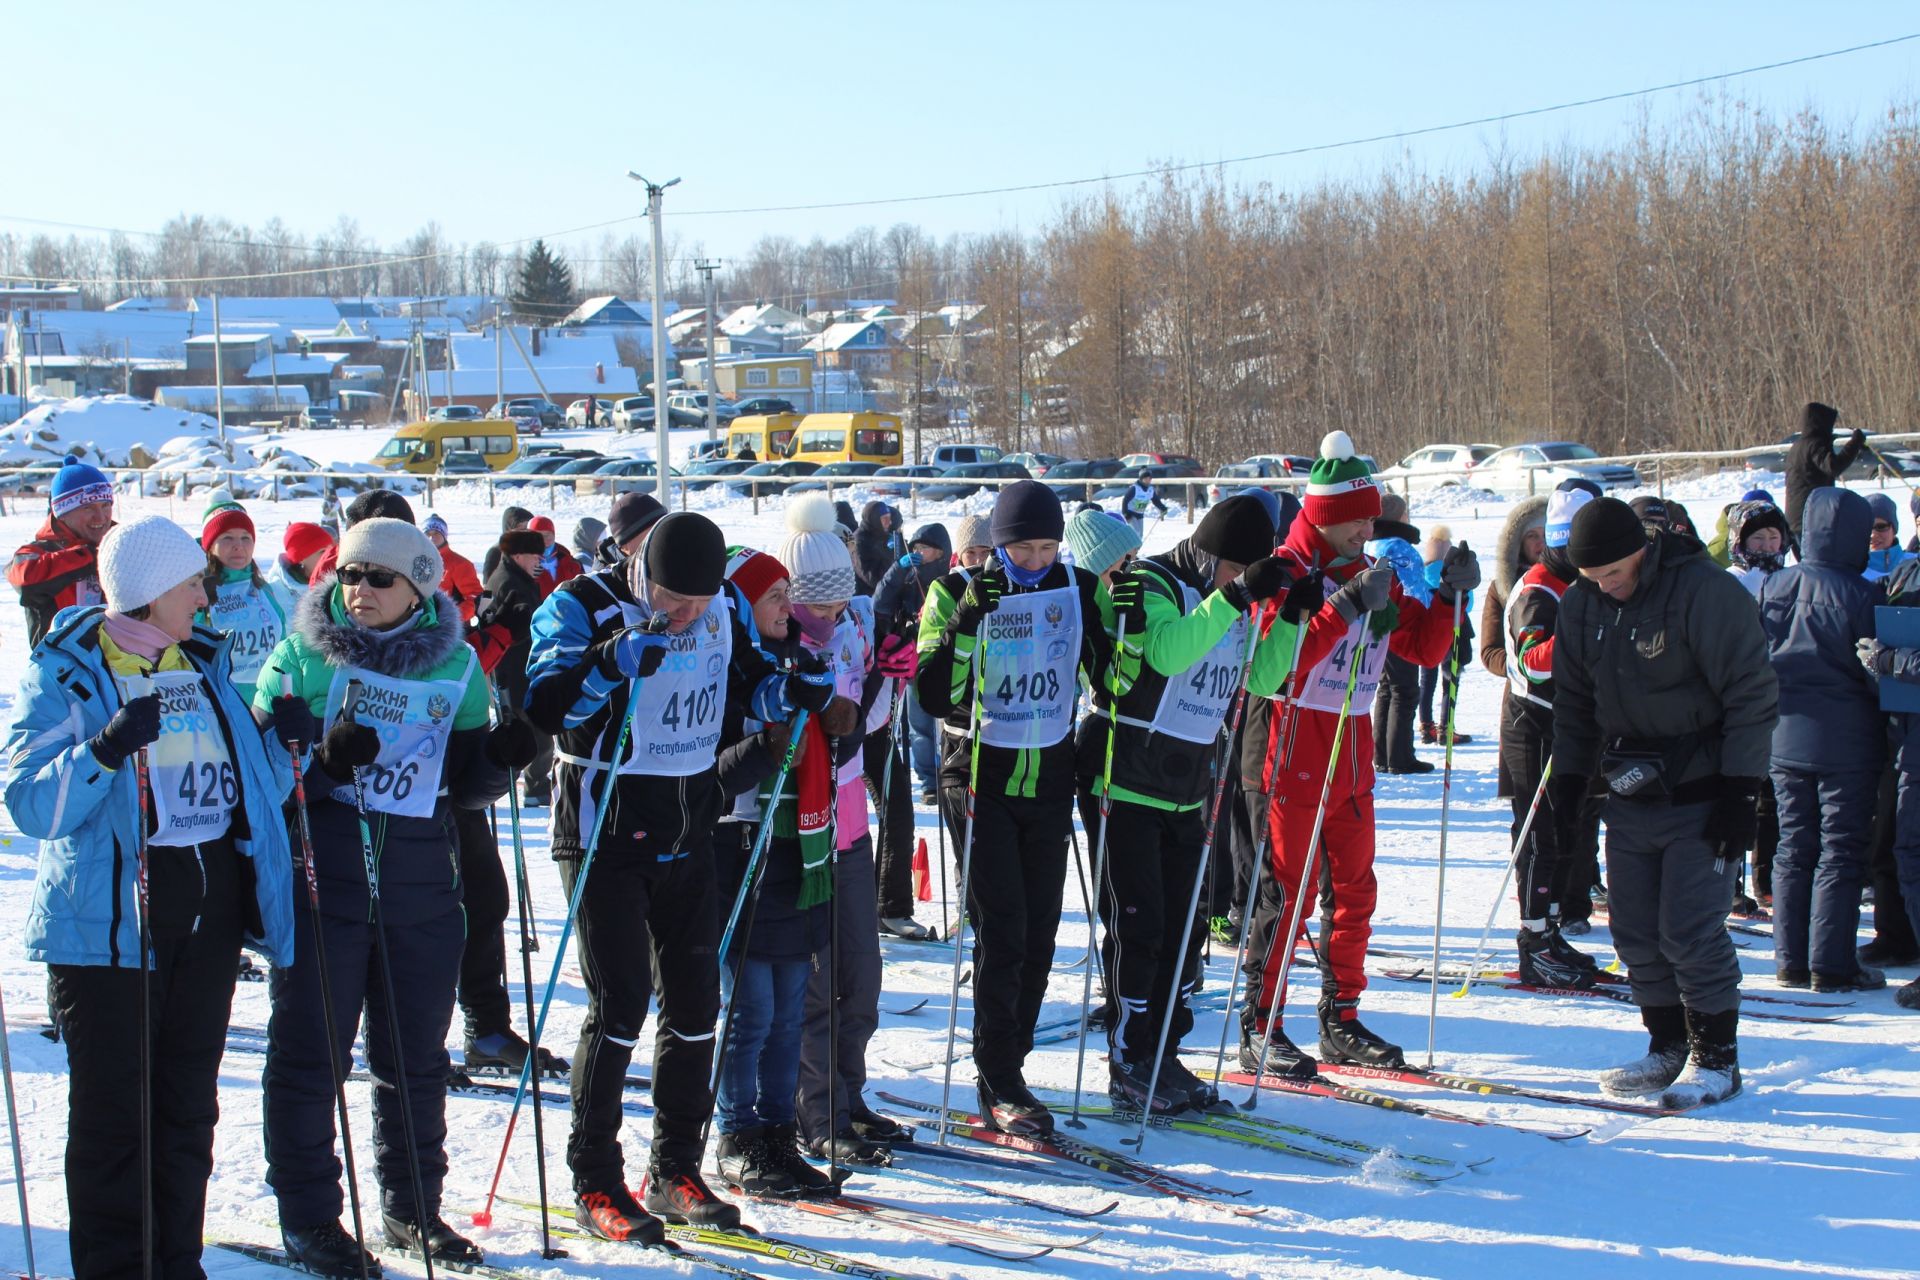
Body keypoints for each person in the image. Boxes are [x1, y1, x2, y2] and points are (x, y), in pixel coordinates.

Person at [523, 511, 832, 1243]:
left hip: (689, 826)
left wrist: (793, 692)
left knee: (695, 1007)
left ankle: (673, 1170)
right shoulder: (581, 603)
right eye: (672, 600)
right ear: (641, 572)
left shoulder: (723, 602)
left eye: (697, 602)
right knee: (621, 1005)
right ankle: (595, 1178)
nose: (687, 615)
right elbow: (545, 708)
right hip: (604, 831)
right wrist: (606, 664)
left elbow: (747, 688)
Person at [8, 515, 297, 1280]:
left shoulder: (200, 665)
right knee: (115, 1124)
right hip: (110, 929)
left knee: (184, 1117)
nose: (205, 596)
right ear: (147, 592)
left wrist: (283, 739)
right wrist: (103, 749)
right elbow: (31, 803)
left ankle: (177, 1264)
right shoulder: (68, 674)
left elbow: (250, 791)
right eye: (191, 583)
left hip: (206, 920)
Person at [257, 517, 523, 1271]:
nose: (358, 590)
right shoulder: (301, 653)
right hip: (327, 883)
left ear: (419, 587)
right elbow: (260, 776)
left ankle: (413, 1208)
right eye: (347, 575)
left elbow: (465, 786)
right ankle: (309, 1217)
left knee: (415, 1062)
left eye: (378, 578)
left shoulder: (457, 664)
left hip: (417, 885)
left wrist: (500, 762)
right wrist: (322, 768)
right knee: (312, 1059)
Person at [1241, 431, 1470, 1077]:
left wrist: (1449, 596)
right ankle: (1261, 1023)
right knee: (1286, 896)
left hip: (1352, 746)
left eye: (1372, 516)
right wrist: (1341, 606)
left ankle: (1341, 1018)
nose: (1367, 527)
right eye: (1357, 518)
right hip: (1291, 748)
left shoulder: (1370, 570)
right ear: (1326, 517)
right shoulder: (1288, 572)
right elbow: (1276, 668)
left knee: (1355, 891)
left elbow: (1421, 650)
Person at [1076, 496, 1315, 1113]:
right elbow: (1167, 653)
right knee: (1140, 927)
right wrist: (1235, 598)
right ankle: (1130, 1060)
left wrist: (1290, 619)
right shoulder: (1152, 580)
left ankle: (1163, 1053)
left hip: (1187, 788)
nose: (1241, 582)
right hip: (1124, 780)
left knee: (1183, 934)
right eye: (1234, 569)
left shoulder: (1228, 599)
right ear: (1209, 555)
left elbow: (1260, 679)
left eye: (1247, 573)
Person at [1551, 497, 1778, 1108]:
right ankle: (1667, 1043)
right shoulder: (1581, 605)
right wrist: (1568, 785)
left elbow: (1752, 695)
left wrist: (1741, 792)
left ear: (1642, 550)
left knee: (1688, 928)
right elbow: (1573, 704)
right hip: (1630, 791)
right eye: (1593, 579)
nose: (1606, 587)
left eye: (1614, 575)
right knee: (1634, 931)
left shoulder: (1702, 593)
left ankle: (1718, 1058)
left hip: (1704, 791)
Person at [916, 480, 1111, 1135]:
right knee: (1003, 933)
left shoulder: (1078, 587)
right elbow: (936, 694)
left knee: (1040, 937)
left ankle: (1012, 1067)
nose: (1035, 560)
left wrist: (1127, 630)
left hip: (1049, 773)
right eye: (1021, 548)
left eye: (1047, 546)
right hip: (978, 774)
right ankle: (998, 1076)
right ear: (997, 546)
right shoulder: (953, 591)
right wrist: (970, 619)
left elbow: (1113, 678)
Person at [709, 545, 839, 1195]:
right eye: (772, 598)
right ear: (738, 603)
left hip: (794, 844)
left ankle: (777, 1134)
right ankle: (737, 1134)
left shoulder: (794, 658)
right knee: (751, 1008)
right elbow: (719, 762)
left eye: (789, 594)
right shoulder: (725, 665)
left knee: (790, 1005)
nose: (789, 607)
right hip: (737, 846)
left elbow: (827, 731)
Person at [777, 496, 895, 1163]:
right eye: (813, 607)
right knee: (816, 980)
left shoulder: (851, 625)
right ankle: (816, 1112)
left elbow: (866, 729)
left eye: (836, 603)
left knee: (862, 971)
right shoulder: (782, 643)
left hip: (852, 824)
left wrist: (887, 677)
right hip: (804, 830)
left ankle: (849, 1096)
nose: (826, 617)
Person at [1756, 487, 1887, 991]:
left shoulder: (1774, 585)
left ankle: (1790, 959)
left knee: (1793, 846)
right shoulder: (1863, 594)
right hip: (1846, 742)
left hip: (1785, 735)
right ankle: (1830, 964)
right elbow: (1875, 671)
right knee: (1840, 849)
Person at [1500, 482, 1604, 986]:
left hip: (1568, 723)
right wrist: (1580, 641)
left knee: (1567, 832)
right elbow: (1529, 660)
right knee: (1538, 836)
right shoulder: (1540, 587)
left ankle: (1550, 930)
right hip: (1533, 722)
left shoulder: (1579, 585)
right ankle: (1533, 939)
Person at [868, 522, 950, 939]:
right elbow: (880, 607)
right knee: (884, 809)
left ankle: (887, 904)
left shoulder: (947, 583)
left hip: (891, 700)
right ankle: (872, 904)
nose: (923, 554)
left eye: (930, 550)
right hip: (869, 711)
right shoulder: (901, 577)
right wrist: (899, 569)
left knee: (897, 810)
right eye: (917, 548)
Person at [1726, 498, 1793, 912]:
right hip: (1738, 702)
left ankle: (1766, 877)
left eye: (1774, 537)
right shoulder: (1729, 582)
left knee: (1773, 797)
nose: (1768, 546)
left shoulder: (1790, 579)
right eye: (1759, 537)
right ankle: (1730, 884)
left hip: (1783, 700)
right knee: (1737, 790)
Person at [1860, 556, 1920, 1008]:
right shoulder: (1903, 572)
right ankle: (1899, 939)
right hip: (1904, 734)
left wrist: (1890, 659)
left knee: (1911, 851)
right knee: (1899, 848)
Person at [197, 497, 296, 706]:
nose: (238, 546)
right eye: (227, 538)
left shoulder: (263, 589)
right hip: (221, 700)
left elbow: (282, 644)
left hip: (269, 697)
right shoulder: (198, 593)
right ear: (210, 545)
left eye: (245, 537)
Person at [9, 452, 113, 646]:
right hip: (59, 669)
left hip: (119, 668)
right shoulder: (38, 552)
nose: (100, 517)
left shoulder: (121, 543)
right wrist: (90, 556)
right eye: (88, 508)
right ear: (62, 514)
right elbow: (24, 578)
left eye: (106, 505)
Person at [486, 529, 553, 806]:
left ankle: (528, 786)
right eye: (534, 556)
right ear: (518, 555)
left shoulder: (516, 578)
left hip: (517, 673)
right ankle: (528, 786)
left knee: (530, 734)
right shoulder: (510, 583)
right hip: (514, 674)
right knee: (534, 736)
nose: (539, 562)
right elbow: (517, 626)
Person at [1368, 494, 1430, 776]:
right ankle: (1400, 756)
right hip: (1400, 624)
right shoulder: (1399, 548)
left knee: (1386, 689)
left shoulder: (1372, 543)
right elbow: (1414, 589)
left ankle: (1381, 754)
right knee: (1404, 691)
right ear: (1399, 517)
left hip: (1376, 625)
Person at [1416, 525, 1474, 746]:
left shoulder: (1422, 572)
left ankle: (1426, 725)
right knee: (1450, 678)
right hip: (1453, 629)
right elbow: (1467, 606)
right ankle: (1446, 727)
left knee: (1426, 679)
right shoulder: (1452, 573)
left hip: (1427, 630)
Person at [1784, 401, 1865, 536]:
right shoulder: (1814, 444)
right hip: (1810, 517)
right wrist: (1855, 443)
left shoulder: (1799, 445)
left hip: (1798, 517)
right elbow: (1833, 466)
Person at [423, 513, 484, 624]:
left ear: (444, 535)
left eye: (436, 533)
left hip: (450, 629)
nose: (431, 537)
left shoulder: (460, 564)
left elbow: (476, 598)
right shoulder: (416, 561)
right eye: (427, 533)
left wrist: (451, 618)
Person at [270, 521, 336, 595]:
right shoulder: (277, 594)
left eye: (331, 550)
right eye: (323, 551)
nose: (330, 555)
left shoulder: (338, 581)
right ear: (301, 559)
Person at [480, 505, 535, 585]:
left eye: (527, 527)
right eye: (520, 527)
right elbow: (487, 586)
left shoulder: (535, 550)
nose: (525, 531)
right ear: (509, 528)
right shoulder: (496, 552)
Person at [853, 500, 898, 597]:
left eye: (889, 518)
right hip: (867, 598)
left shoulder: (883, 535)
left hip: (886, 593)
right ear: (874, 519)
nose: (889, 522)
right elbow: (872, 579)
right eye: (885, 519)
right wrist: (889, 554)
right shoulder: (859, 541)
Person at [529, 514, 583, 592]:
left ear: (554, 535)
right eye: (538, 537)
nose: (544, 540)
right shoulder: (523, 565)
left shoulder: (570, 561)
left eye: (547, 535)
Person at [1866, 493, 1910, 580]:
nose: (1873, 535)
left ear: (1894, 530)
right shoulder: (1851, 573)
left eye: (1881, 527)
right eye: (1867, 527)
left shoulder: (1915, 565)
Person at [1119, 470, 1169, 537]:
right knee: (1136, 533)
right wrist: (1125, 513)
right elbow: (1125, 500)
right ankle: (1130, 546)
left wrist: (1163, 508)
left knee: (1140, 535)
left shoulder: (1150, 490)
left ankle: (1137, 547)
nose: (1148, 480)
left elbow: (1156, 500)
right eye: (1145, 479)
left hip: (1140, 514)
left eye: (1149, 479)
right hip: (1131, 514)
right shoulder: (1135, 488)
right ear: (1141, 479)